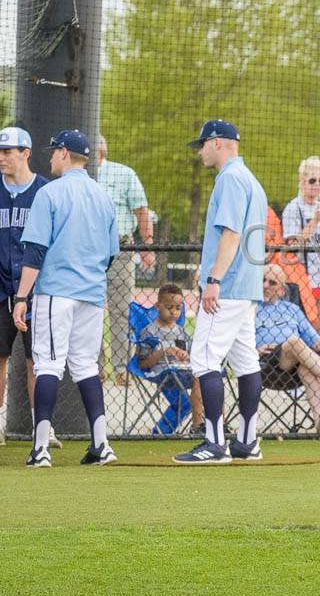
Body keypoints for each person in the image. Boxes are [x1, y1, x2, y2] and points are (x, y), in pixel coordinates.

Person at [13, 129, 120, 468]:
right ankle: (101, 444)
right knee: (86, 366)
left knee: (47, 364)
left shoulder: (49, 192)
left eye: (53, 151)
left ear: (63, 153)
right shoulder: (103, 196)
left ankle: (40, 448)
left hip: (56, 291)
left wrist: (21, 296)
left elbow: (35, 251)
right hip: (91, 292)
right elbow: (112, 254)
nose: (50, 157)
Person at [173, 119, 267, 464]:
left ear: (218, 143)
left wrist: (214, 280)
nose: (199, 151)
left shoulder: (229, 178)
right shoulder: (251, 180)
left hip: (227, 286)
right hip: (247, 286)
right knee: (245, 362)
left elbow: (231, 234)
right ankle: (246, 441)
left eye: (202, 144)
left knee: (204, 360)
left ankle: (215, 444)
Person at [0, 126, 61, 449]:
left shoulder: (46, 191)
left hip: (37, 289)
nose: (0, 158)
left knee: (36, 359)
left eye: (7, 152)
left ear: (26, 152)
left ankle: (43, 427)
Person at [256, 264, 320, 435]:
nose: (265, 285)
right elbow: (235, 341)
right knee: (295, 341)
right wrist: (254, 349)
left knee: (305, 366)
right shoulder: (250, 308)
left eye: (272, 283)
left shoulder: (292, 310)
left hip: (294, 364)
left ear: (282, 290)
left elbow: (317, 344)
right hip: (263, 364)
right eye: (262, 280)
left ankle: (319, 423)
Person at [94, 134, 155, 384]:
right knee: (91, 310)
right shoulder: (77, 175)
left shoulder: (123, 173)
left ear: (99, 150)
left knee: (121, 311)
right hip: (89, 251)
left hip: (120, 248)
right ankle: (95, 368)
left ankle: (122, 368)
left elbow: (141, 211)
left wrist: (148, 246)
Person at [282, 156, 320, 333]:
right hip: (303, 278)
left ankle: (318, 361)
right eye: (312, 180)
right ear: (302, 181)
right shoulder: (293, 208)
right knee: (305, 329)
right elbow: (292, 245)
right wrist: (314, 221)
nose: (317, 185)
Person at [136, 283, 195, 435]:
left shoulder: (182, 332)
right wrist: (163, 351)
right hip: (163, 373)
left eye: (177, 308)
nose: (174, 312)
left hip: (182, 371)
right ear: (157, 306)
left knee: (206, 380)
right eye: (169, 307)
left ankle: (205, 427)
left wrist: (185, 356)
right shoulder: (149, 332)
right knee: (186, 404)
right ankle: (160, 432)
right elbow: (143, 364)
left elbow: (188, 356)